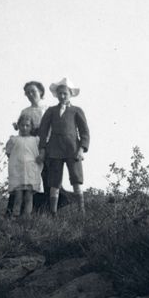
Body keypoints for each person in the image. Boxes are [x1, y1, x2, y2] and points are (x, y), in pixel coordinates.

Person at [37, 77, 90, 214]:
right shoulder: (51, 111)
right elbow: (43, 131)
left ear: (70, 94)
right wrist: (43, 149)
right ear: (56, 94)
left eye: (65, 93)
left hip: (72, 149)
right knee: (54, 182)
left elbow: (84, 131)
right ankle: (53, 212)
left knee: (76, 179)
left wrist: (81, 149)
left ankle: (81, 211)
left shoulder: (77, 111)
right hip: (54, 150)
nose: (62, 96)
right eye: (60, 93)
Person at [4, 115, 43, 217]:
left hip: (30, 171)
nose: (24, 128)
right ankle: (15, 216)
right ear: (19, 126)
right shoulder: (14, 140)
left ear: (31, 127)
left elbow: (40, 152)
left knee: (29, 197)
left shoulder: (35, 140)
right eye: (22, 125)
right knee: (18, 196)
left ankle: (26, 218)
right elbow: (8, 153)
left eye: (27, 125)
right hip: (18, 172)